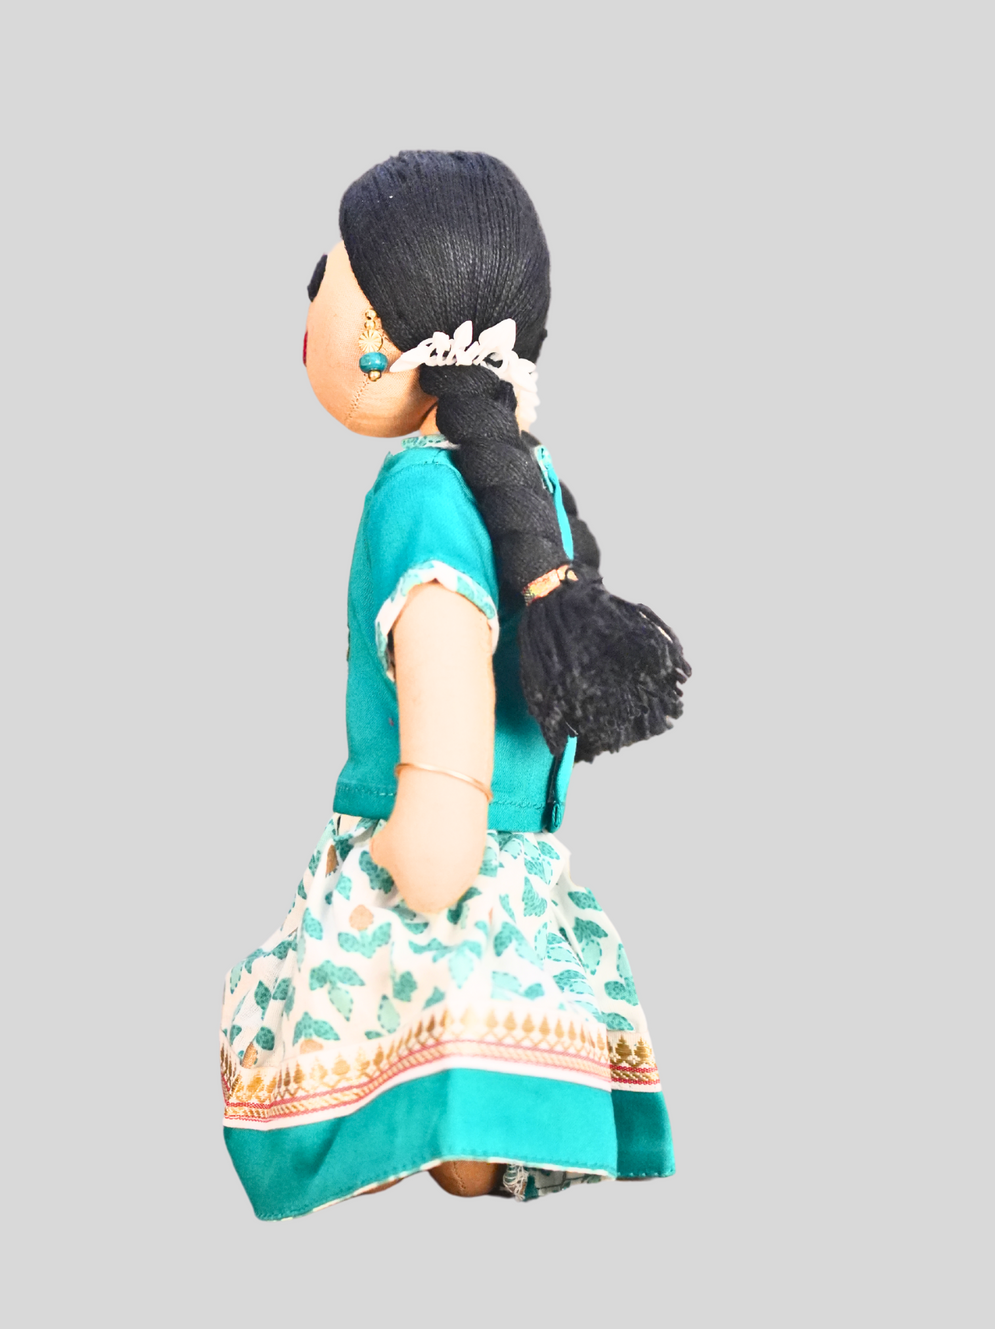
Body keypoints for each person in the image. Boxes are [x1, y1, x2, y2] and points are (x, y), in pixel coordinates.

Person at [220, 151, 690, 1219]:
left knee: (312, 1070)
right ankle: (482, 1126)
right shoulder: (530, 487)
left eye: (326, 277)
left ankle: (439, 1121)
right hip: (518, 881)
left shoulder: (421, 494)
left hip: (431, 869)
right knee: (475, 1115)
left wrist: (425, 827)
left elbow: (442, 642)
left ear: (377, 334)